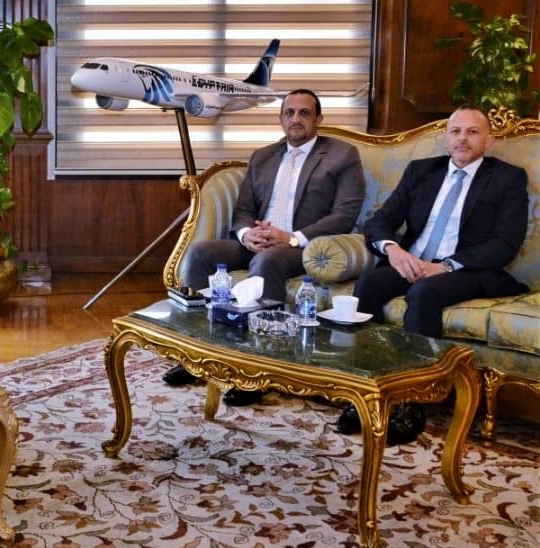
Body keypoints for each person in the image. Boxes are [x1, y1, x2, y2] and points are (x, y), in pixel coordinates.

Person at [338, 104, 530, 445]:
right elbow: (381, 220)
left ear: (489, 140)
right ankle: (365, 390)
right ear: (446, 138)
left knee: (424, 293)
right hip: (413, 260)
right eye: (456, 131)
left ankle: (412, 403)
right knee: (369, 284)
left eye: (472, 132)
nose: (462, 139)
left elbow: (505, 244)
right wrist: (393, 250)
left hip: (467, 269)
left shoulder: (507, 178)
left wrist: (445, 266)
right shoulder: (421, 171)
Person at [165, 89, 366, 405]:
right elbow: (244, 209)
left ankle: (258, 370)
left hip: (303, 247)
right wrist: (247, 235)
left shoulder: (342, 155)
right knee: (200, 253)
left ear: (319, 119)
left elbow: (345, 214)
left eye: (304, 113)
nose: (296, 119)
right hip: (259, 241)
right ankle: (197, 355)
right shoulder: (263, 156)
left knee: (268, 261)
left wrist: (291, 237)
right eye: (289, 112)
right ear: (280, 118)